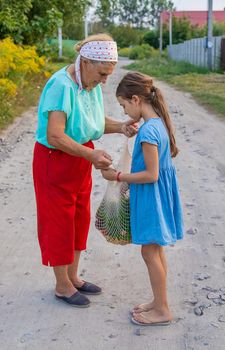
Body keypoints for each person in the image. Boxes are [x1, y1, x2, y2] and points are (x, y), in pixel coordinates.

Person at [32, 34, 137, 308]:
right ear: (87, 62)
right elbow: (54, 135)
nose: (104, 81)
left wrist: (121, 126)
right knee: (59, 221)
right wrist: (91, 154)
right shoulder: (60, 85)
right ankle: (62, 286)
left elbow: (93, 120)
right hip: (55, 159)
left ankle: (73, 277)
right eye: (102, 74)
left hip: (79, 158)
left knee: (79, 215)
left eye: (108, 75)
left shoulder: (88, 84)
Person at [101, 72, 184, 325]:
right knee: (155, 250)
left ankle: (163, 311)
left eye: (124, 106)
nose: (125, 112)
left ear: (136, 99)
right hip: (157, 196)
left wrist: (117, 176)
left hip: (151, 199)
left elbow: (150, 174)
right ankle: (160, 302)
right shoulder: (157, 123)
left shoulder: (148, 132)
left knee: (149, 252)